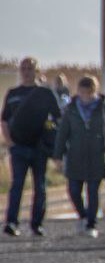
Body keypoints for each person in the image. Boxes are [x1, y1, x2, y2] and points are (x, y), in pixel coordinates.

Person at [2, 56, 62, 236]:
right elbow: (4, 120)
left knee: (40, 186)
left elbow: (57, 119)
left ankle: (37, 224)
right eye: (23, 68)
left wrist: (52, 142)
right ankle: (11, 222)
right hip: (18, 147)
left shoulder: (45, 94)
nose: (26, 72)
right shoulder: (13, 94)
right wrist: (9, 141)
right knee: (17, 185)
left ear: (37, 71)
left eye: (30, 69)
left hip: (39, 148)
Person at [53, 76, 105, 237]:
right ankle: (83, 216)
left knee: (93, 191)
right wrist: (58, 155)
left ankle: (91, 224)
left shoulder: (103, 109)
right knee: (74, 190)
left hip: (96, 156)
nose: (85, 96)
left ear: (94, 91)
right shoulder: (72, 109)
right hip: (75, 155)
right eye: (82, 92)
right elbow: (62, 133)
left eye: (89, 92)